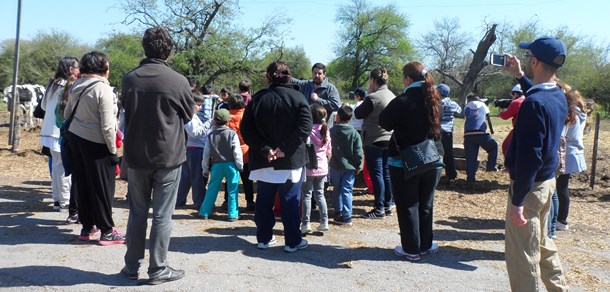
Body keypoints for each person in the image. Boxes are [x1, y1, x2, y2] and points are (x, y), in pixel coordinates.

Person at [121, 26, 194, 284]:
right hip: (168, 157)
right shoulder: (178, 81)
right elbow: (190, 115)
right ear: (170, 51)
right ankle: (158, 268)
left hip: (136, 157)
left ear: (144, 48)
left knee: (137, 212)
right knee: (163, 215)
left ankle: (131, 267)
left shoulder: (129, 79)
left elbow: (126, 112)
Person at [502, 37, 569, 291]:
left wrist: (518, 201)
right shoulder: (557, 95)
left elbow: (530, 157)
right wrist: (520, 75)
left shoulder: (533, 104)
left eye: (528, 56)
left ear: (534, 61)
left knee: (522, 257)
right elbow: (538, 93)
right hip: (547, 183)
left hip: (529, 189)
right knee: (543, 245)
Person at [241, 60, 312, 253]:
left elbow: (246, 130)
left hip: (265, 159)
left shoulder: (257, 99)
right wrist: (283, 148)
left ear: (268, 76)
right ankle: (292, 241)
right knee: (290, 201)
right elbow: (304, 127)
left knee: (264, 201)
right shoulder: (298, 98)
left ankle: (264, 238)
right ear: (289, 75)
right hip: (289, 160)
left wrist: (266, 149)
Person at [379, 61, 442, 261]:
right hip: (432, 160)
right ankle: (426, 244)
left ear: (407, 78)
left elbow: (384, 122)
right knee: (426, 204)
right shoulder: (433, 100)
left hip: (404, 161)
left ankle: (411, 248)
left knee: (408, 205)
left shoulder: (402, 101)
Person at [63, 51, 123, 245]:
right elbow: (107, 126)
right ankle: (107, 231)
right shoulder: (103, 89)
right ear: (102, 68)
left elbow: (66, 114)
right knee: (102, 188)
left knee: (84, 184)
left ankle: (87, 228)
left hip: (76, 139)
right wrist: (113, 152)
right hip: (97, 144)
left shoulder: (77, 85)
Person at [354, 67, 395, 219]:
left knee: (377, 174)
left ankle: (379, 208)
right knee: (386, 173)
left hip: (374, 139)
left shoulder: (373, 97)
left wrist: (369, 93)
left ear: (372, 80)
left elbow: (358, 114)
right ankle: (388, 205)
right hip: (389, 139)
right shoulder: (392, 95)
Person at [40, 56, 79, 212]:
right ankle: (64, 202)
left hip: (48, 132)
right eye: (77, 67)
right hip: (59, 132)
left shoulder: (52, 85)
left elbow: (43, 106)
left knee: (57, 166)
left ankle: (57, 199)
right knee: (63, 167)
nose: (79, 70)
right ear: (71, 69)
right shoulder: (68, 86)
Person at [554, 82, 588, 232]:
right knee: (562, 186)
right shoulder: (580, 111)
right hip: (574, 152)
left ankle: (560, 219)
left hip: (566, 151)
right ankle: (561, 219)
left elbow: (561, 134)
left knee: (559, 187)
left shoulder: (570, 112)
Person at [199, 109, 243, 220]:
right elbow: (237, 152)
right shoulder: (232, 134)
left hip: (216, 165)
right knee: (233, 190)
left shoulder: (210, 135)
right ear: (228, 121)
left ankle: (204, 212)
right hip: (231, 165)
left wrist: (205, 168)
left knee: (212, 189)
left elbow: (206, 153)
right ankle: (233, 214)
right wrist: (240, 165)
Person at [176, 94, 213, 210]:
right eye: (198, 105)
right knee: (197, 178)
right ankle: (199, 203)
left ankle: (179, 201)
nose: (200, 108)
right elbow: (195, 133)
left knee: (185, 178)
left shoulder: (193, 116)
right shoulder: (189, 117)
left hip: (191, 149)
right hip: (195, 150)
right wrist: (209, 123)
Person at [301, 103, 332, 234]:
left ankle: (305, 224)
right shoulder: (326, 130)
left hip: (309, 167)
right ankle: (324, 221)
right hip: (322, 167)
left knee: (307, 196)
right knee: (320, 195)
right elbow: (328, 151)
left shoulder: (308, 130)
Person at [330, 105, 363, 226]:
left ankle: (337, 211)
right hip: (349, 168)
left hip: (335, 166)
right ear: (350, 118)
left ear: (337, 117)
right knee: (347, 191)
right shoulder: (354, 133)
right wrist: (359, 165)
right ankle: (347, 216)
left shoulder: (331, 131)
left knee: (336, 190)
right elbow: (359, 152)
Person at [227, 94, 255, 211]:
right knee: (247, 180)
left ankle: (228, 202)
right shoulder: (246, 116)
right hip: (246, 151)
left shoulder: (227, 117)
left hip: (230, 152)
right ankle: (250, 202)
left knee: (231, 180)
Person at [463, 93, 498, 183]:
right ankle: (491, 167)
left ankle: (470, 179)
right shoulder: (483, 105)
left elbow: (465, 117)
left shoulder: (467, 106)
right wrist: (492, 131)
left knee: (471, 158)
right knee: (493, 147)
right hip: (480, 133)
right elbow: (488, 119)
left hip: (468, 135)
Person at [437, 83, 462, 182]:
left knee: (437, 153)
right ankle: (451, 175)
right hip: (447, 132)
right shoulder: (453, 104)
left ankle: (436, 174)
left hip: (437, 131)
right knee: (448, 153)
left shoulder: (435, 103)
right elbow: (459, 112)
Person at [498, 84, 525, 157]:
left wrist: (501, 111)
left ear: (515, 93)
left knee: (506, 146)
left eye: (513, 94)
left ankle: (509, 166)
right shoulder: (531, 99)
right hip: (533, 129)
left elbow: (505, 116)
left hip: (519, 129)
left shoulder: (516, 102)